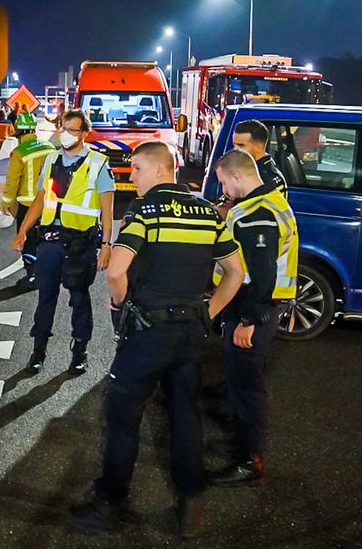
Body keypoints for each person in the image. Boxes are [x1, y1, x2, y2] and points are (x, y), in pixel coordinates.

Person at [67, 141, 245, 539]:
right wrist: (209, 312)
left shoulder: (145, 211)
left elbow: (116, 271)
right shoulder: (206, 211)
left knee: (122, 417)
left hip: (148, 331)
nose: (132, 176)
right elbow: (235, 271)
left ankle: (109, 505)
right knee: (185, 415)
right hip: (192, 333)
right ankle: (190, 504)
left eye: (136, 169)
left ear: (160, 170)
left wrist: (118, 305)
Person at [208, 149, 299, 489]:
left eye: (223, 182)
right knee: (239, 381)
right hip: (256, 308)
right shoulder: (269, 201)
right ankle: (241, 444)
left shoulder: (256, 215)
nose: (223, 190)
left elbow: (261, 275)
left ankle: (250, 461)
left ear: (235, 177)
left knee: (247, 387)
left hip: (254, 311)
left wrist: (248, 319)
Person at [11, 109, 114, 374]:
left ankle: (80, 351)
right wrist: (23, 230)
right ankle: (38, 350)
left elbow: (107, 210)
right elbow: (40, 199)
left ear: (84, 133)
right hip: (50, 241)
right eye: (63, 128)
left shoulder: (98, 164)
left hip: (81, 244)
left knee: (79, 298)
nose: (65, 134)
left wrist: (106, 246)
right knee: (46, 297)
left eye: (72, 130)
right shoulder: (51, 160)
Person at [1, 110, 55, 288]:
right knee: (46, 240)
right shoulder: (49, 147)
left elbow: (12, 181)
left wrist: (7, 203)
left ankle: (32, 275)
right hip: (49, 204)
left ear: (20, 132)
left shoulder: (19, 152)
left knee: (28, 242)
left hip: (27, 204)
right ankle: (46, 273)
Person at [231, 120, 287, 196]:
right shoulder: (267, 170)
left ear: (258, 147)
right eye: (234, 145)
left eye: (241, 146)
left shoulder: (261, 178)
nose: (235, 150)